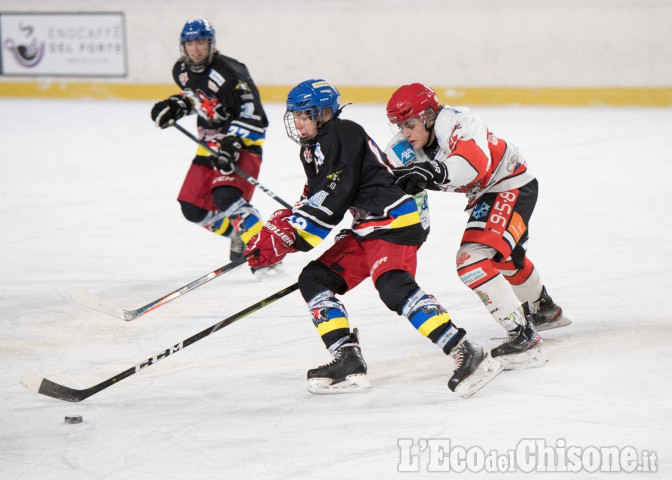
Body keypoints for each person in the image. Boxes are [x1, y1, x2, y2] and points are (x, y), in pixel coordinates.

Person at [243, 79, 504, 398]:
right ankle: (347, 358)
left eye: (305, 115)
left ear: (324, 114)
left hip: (394, 220)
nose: (297, 122)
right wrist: (281, 229)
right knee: (314, 279)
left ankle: (465, 350)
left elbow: (332, 202)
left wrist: (290, 237)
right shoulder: (312, 149)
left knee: (393, 286)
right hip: (368, 226)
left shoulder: (344, 134)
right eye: (294, 115)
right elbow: (313, 196)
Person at [384, 83, 569, 370]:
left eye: (410, 123)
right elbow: (388, 187)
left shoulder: (462, 123)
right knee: (506, 259)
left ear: (430, 115)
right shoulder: (401, 148)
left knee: (471, 261)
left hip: (510, 184)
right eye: (399, 125)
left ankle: (524, 336)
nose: (405, 132)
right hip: (487, 194)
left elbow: (474, 165)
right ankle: (543, 309)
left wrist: (435, 170)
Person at [150, 19, 272, 275]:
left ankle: (267, 254)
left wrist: (233, 142)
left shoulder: (231, 74)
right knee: (193, 209)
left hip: (243, 143)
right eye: (190, 43)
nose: (196, 48)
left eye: (201, 42)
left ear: (211, 43)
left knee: (227, 197)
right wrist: (177, 106)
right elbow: (197, 97)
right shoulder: (181, 70)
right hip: (209, 144)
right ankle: (237, 231)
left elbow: (256, 115)